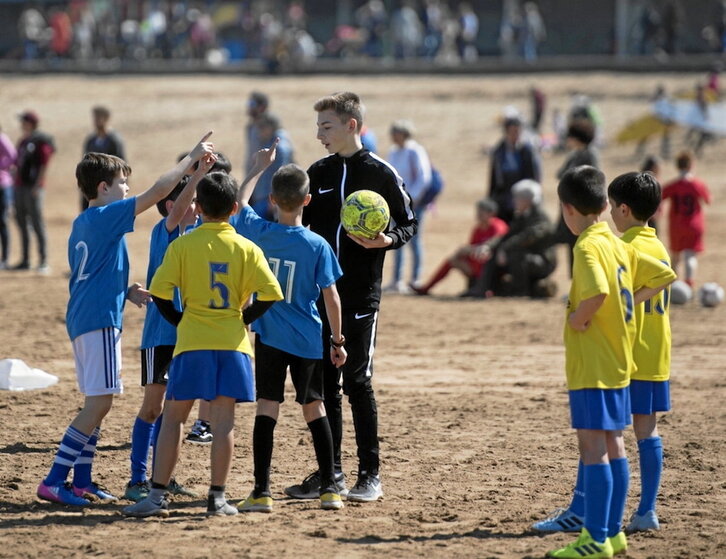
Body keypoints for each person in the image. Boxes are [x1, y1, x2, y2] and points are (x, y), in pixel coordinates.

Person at [36, 132, 215, 507]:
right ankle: (54, 480)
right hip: (98, 320)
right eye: (121, 182)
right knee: (99, 404)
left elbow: (94, 272)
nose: (127, 188)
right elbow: (157, 192)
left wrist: (127, 290)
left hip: (89, 315)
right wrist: (191, 161)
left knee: (97, 402)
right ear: (103, 187)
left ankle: (81, 481)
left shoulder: (84, 221)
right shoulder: (106, 214)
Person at [123, 170, 284, 518]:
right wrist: (245, 317)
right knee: (223, 422)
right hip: (233, 343)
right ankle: (217, 498)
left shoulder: (183, 244)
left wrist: (180, 320)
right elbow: (272, 293)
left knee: (174, 419)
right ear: (235, 207)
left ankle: (156, 496)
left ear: (199, 206)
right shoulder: (247, 247)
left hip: (192, 340)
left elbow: (161, 293)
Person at [285, 92, 417, 503]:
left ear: (351, 126)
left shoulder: (380, 173)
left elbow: (409, 224)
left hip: (360, 296)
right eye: (318, 126)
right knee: (324, 386)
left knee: (357, 381)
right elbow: (297, 227)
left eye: (326, 126)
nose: (318, 134)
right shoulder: (316, 173)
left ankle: (369, 474)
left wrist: (386, 240)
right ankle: (331, 474)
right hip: (319, 297)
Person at [543, 165, 675, 559]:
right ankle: (614, 533)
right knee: (616, 444)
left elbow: (597, 294)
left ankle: (596, 538)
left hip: (595, 363)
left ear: (568, 210)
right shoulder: (620, 244)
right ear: (605, 204)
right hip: (621, 361)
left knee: (593, 449)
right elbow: (662, 274)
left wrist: (576, 318)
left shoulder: (586, 246)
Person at [231, 143, 348, 513]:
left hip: (269, 337)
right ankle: (330, 488)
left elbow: (239, 203)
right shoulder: (317, 244)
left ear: (274, 199)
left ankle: (261, 492)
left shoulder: (260, 233)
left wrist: (256, 168)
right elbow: (331, 298)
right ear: (308, 199)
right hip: (307, 338)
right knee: (315, 407)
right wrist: (338, 340)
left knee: (268, 407)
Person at [123, 159, 215, 503]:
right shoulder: (165, 229)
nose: (195, 205)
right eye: (189, 200)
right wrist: (197, 175)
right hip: (160, 335)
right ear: (171, 206)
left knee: (176, 410)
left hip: (187, 337)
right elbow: (179, 208)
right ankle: (136, 479)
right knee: (152, 408)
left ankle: (162, 477)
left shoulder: (195, 236)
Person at [469, 179, 556, 298]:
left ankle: (520, 291)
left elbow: (527, 237)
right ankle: (482, 290)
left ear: (527, 200)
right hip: (526, 256)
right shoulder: (522, 215)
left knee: (516, 254)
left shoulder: (540, 218)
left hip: (542, 261)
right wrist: (488, 246)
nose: (514, 201)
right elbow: (506, 236)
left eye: (516, 198)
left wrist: (504, 249)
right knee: (493, 254)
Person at [411, 198, 508, 296]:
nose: (478, 214)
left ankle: (485, 289)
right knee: (452, 260)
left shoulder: (497, 226)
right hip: (477, 264)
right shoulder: (478, 228)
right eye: (478, 211)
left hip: (493, 264)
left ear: (491, 213)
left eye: (481, 212)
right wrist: (463, 251)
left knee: (483, 256)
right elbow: (472, 247)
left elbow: (497, 242)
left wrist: (471, 249)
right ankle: (427, 288)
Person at [385, 119, 432, 293]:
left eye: (395, 132)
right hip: (397, 204)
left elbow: (423, 177)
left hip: (414, 204)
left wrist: (413, 199)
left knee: (414, 241)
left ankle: (415, 280)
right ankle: (396, 281)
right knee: (396, 238)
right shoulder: (394, 152)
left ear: (403, 133)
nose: (392, 136)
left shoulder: (415, 151)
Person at [552, 120, 600, 276]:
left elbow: (592, 178)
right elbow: (560, 173)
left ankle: (580, 284)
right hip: (570, 205)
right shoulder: (575, 154)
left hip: (582, 207)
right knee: (572, 245)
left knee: (581, 246)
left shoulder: (590, 155)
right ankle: (575, 284)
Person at [661, 150, 711, 287]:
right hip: (694, 225)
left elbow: (659, 197)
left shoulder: (673, 185)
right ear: (691, 165)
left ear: (678, 166)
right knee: (690, 256)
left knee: (676, 257)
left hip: (676, 225)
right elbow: (708, 200)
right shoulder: (697, 184)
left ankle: (674, 284)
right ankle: (689, 282)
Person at [13, 111, 55, 272]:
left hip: (33, 188)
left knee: (37, 222)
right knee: (22, 222)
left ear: (31, 123)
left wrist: (38, 185)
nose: (21, 124)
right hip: (20, 186)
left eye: (24, 121)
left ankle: (43, 260)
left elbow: (44, 164)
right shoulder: (23, 141)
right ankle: (25, 260)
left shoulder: (40, 141)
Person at [488, 116, 541, 224]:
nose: (516, 134)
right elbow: (494, 177)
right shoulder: (499, 151)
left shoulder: (527, 151)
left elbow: (534, 175)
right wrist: (491, 198)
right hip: (503, 197)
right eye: (513, 131)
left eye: (518, 131)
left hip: (522, 196)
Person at [248, 113, 294, 221]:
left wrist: (275, 199)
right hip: (264, 198)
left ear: (271, 127)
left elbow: (281, 175)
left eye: (262, 127)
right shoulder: (268, 143)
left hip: (270, 200)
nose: (259, 130)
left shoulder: (280, 148)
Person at [81, 107, 126, 211]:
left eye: (98, 117)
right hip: (92, 186)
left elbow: (120, 165)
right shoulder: (91, 140)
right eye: (94, 118)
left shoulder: (114, 140)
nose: (95, 121)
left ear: (106, 118)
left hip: (109, 187)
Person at [0, 125, 17, 270]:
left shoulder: (2, 138)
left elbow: (13, 156)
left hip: (2, 184)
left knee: (2, 221)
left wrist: (1, 166)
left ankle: (5, 258)